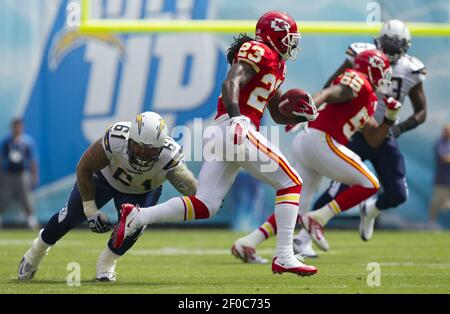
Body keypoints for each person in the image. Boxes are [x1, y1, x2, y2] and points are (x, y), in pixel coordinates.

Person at [113, 11, 319, 276]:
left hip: (226, 133)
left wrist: (300, 114)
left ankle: (137, 216)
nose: (292, 45)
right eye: (288, 38)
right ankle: (284, 256)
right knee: (291, 182)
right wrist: (237, 118)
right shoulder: (259, 50)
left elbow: (276, 112)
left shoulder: (277, 65)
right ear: (274, 36)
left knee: (206, 204)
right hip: (235, 128)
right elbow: (230, 82)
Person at [232, 49, 402, 261]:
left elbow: (374, 138)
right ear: (373, 69)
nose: (386, 77)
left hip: (310, 143)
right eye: (384, 71)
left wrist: (389, 119)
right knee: (370, 183)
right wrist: (304, 110)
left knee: (295, 205)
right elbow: (329, 93)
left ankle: (248, 242)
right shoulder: (359, 80)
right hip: (320, 140)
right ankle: (319, 218)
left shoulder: (368, 98)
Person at [291, 19, 428, 256]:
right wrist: (315, 110)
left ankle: (370, 210)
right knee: (339, 187)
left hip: (380, 130)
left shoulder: (410, 70)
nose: (388, 57)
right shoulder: (363, 60)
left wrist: (396, 126)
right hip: (353, 131)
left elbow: (421, 111)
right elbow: (333, 86)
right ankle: (303, 237)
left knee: (397, 194)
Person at [18, 112, 198, 281]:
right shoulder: (116, 139)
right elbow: (84, 167)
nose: (144, 154)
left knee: (133, 228)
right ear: (130, 140)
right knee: (69, 217)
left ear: (161, 147)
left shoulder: (169, 154)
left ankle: (106, 265)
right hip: (105, 180)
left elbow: (189, 185)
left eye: (151, 150)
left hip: (142, 191)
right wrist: (90, 210)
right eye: (140, 147)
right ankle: (34, 253)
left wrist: (207, 197)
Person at [0, 118, 40, 230]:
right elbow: (1, 158)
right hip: (8, 174)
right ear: (12, 127)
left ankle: (31, 220)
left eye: (19, 126)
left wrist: (34, 174)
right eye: (15, 126)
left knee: (26, 198)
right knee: (3, 198)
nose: (17, 128)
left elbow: (33, 160)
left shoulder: (27, 141)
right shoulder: (6, 141)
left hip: (22, 174)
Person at [429, 123, 450, 224]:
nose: (447, 132)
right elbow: (443, 158)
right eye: (445, 130)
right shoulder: (439, 143)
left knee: (446, 205)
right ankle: (432, 223)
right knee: (437, 203)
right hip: (442, 180)